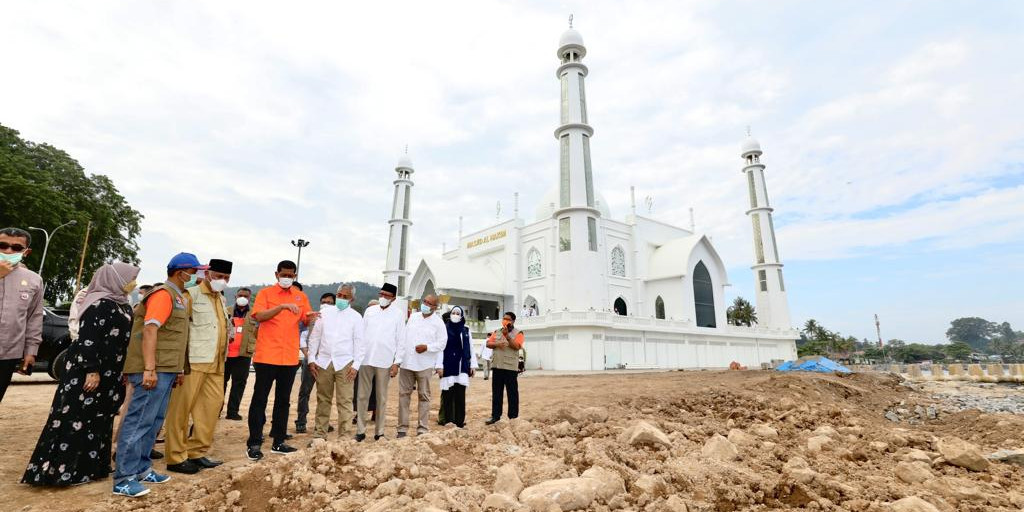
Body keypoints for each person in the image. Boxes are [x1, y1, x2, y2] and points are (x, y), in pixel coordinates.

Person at [22, 262, 140, 486]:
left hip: (111, 370)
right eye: (130, 278)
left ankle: (91, 468)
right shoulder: (97, 303)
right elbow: (88, 339)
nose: (133, 283)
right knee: (75, 417)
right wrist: (92, 370)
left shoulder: (123, 304)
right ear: (116, 278)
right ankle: (63, 472)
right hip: (88, 370)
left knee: (100, 419)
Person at [114, 252, 205, 498]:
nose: (195, 276)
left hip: (167, 368)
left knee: (153, 422)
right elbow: (151, 330)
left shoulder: (178, 296)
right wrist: (149, 368)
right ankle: (124, 478)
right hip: (152, 369)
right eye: (193, 271)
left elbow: (176, 338)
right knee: (138, 422)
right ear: (180, 272)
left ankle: (142, 469)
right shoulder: (163, 295)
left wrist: (178, 370)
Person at [164, 259, 233, 474]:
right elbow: (179, 328)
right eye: (218, 276)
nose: (222, 280)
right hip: (193, 361)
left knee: (211, 409)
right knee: (180, 410)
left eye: (226, 277)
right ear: (208, 274)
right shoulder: (191, 295)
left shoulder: (221, 299)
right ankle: (175, 457)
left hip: (217, 363)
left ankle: (196, 452)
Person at [246, 260, 315, 461]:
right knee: (260, 399)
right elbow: (259, 316)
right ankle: (254, 442)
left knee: (283, 401)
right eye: (283, 274)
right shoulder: (266, 294)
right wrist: (282, 307)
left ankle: (278, 441)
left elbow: (305, 319)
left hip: (289, 357)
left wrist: (312, 318)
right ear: (276, 274)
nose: (287, 278)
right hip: (267, 356)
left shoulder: (300, 296)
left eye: (291, 275)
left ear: (295, 275)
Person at [307, 284, 365, 440]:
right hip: (324, 362)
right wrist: (312, 359)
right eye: (339, 295)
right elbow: (315, 337)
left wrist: (356, 365)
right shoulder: (324, 313)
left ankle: (344, 437)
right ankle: (319, 435)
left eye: (345, 296)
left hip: (345, 363)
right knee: (323, 400)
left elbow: (360, 343)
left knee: (345, 401)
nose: (341, 298)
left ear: (352, 299)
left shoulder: (356, 317)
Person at [0, 227, 44, 403]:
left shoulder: (34, 279)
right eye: (3, 245)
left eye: (16, 248)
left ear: (26, 252)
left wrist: (31, 352)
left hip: (8, 353)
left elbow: (34, 317)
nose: (9, 251)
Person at [357, 283, 404, 441]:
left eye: (387, 295)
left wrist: (396, 362)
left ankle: (380, 432)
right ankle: (360, 431)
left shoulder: (398, 314)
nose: (383, 297)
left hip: (385, 360)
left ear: (393, 298)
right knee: (362, 396)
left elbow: (400, 340)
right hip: (366, 358)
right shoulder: (370, 311)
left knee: (381, 397)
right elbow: (361, 335)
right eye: (381, 294)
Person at [395, 294, 446, 438]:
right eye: (424, 301)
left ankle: (422, 429)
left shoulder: (438, 323)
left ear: (435, 307)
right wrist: (398, 360)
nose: (425, 305)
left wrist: (427, 347)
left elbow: (442, 343)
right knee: (403, 395)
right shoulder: (413, 317)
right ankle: (402, 429)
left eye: (429, 303)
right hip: (407, 363)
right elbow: (404, 338)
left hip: (425, 365)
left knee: (424, 396)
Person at [296, 291, 334, 433]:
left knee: (325, 395)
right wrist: (309, 356)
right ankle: (301, 421)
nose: (326, 304)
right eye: (324, 302)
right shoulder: (313, 318)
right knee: (305, 392)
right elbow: (303, 337)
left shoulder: (336, 322)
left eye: (330, 303)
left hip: (326, 363)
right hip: (311, 361)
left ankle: (323, 423)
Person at [436, 306, 476, 428]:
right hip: (448, 365)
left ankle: (459, 422)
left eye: (458, 313)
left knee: (460, 395)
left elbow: (471, 347)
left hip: (461, 366)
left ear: (462, 315)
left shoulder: (466, 330)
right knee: (448, 395)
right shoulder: (444, 329)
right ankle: (448, 421)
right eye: (453, 312)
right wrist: (439, 366)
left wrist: (472, 365)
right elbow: (440, 348)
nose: (455, 315)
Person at [485, 311, 525, 425]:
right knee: (496, 393)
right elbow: (488, 344)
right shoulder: (497, 332)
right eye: (504, 318)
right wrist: (497, 344)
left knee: (512, 393)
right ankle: (495, 416)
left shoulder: (519, 333)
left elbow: (517, 346)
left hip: (510, 368)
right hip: (497, 366)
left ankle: (513, 418)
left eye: (508, 319)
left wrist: (507, 336)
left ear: (513, 321)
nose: (505, 321)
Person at [223, 287, 253, 421]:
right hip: (225, 353)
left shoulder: (254, 314)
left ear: (249, 298)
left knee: (239, 384)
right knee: (220, 383)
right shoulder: (226, 311)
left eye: (246, 296)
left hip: (243, 354)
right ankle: (216, 410)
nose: (243, 298)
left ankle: (232, 411)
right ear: (235, 297)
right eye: (240, 295)